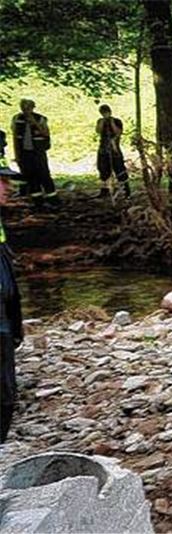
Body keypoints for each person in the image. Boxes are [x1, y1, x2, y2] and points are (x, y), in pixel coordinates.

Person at [0, 167, 25, 443]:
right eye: (2, 181)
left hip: (5, 320)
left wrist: (16, 323)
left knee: (6, 397)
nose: (8, 187)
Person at [9, 99, 59, 210]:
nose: (26, 110)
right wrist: (17, 155)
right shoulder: (17, 119)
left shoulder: (40, 118)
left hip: (38, 152)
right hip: (24, 153)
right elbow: (15, 138)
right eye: (23, 107)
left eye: (28, 107)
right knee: (30, 177)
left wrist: (34, 123)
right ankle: (38, 202)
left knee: (44, 174)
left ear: (33, 107)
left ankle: (53, 200)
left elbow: (46, 134)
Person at [95, 104, 130, 198]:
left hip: (114, 149)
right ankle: (104, 191)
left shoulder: (117, 121)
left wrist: (111, 122)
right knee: (103, 171)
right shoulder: (100, 121)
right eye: (103, 113)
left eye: (106, 112)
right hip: (103, 149)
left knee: (120, 170)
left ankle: (126, 191)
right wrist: (103, 122)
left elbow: (118, 132)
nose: (104, 114)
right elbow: (98, 131)